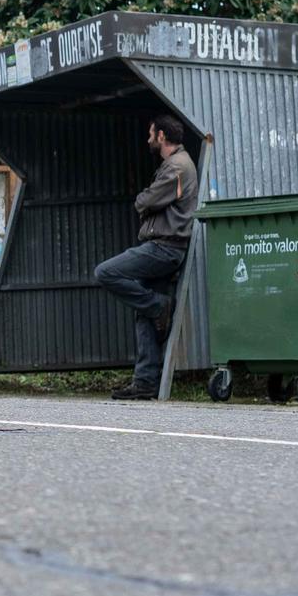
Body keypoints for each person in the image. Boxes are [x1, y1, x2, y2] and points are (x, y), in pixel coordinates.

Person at [94, 113, 198, 400]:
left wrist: (143, 199)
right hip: (166, 246)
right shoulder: (175, 164)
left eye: (151, 134)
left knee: (106, 272)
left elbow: (146, 201)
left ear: (162, 136)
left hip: (164, 249)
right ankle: (145, 382)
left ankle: (158, 305)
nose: (149, 139)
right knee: (145, 315)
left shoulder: (176, 166)